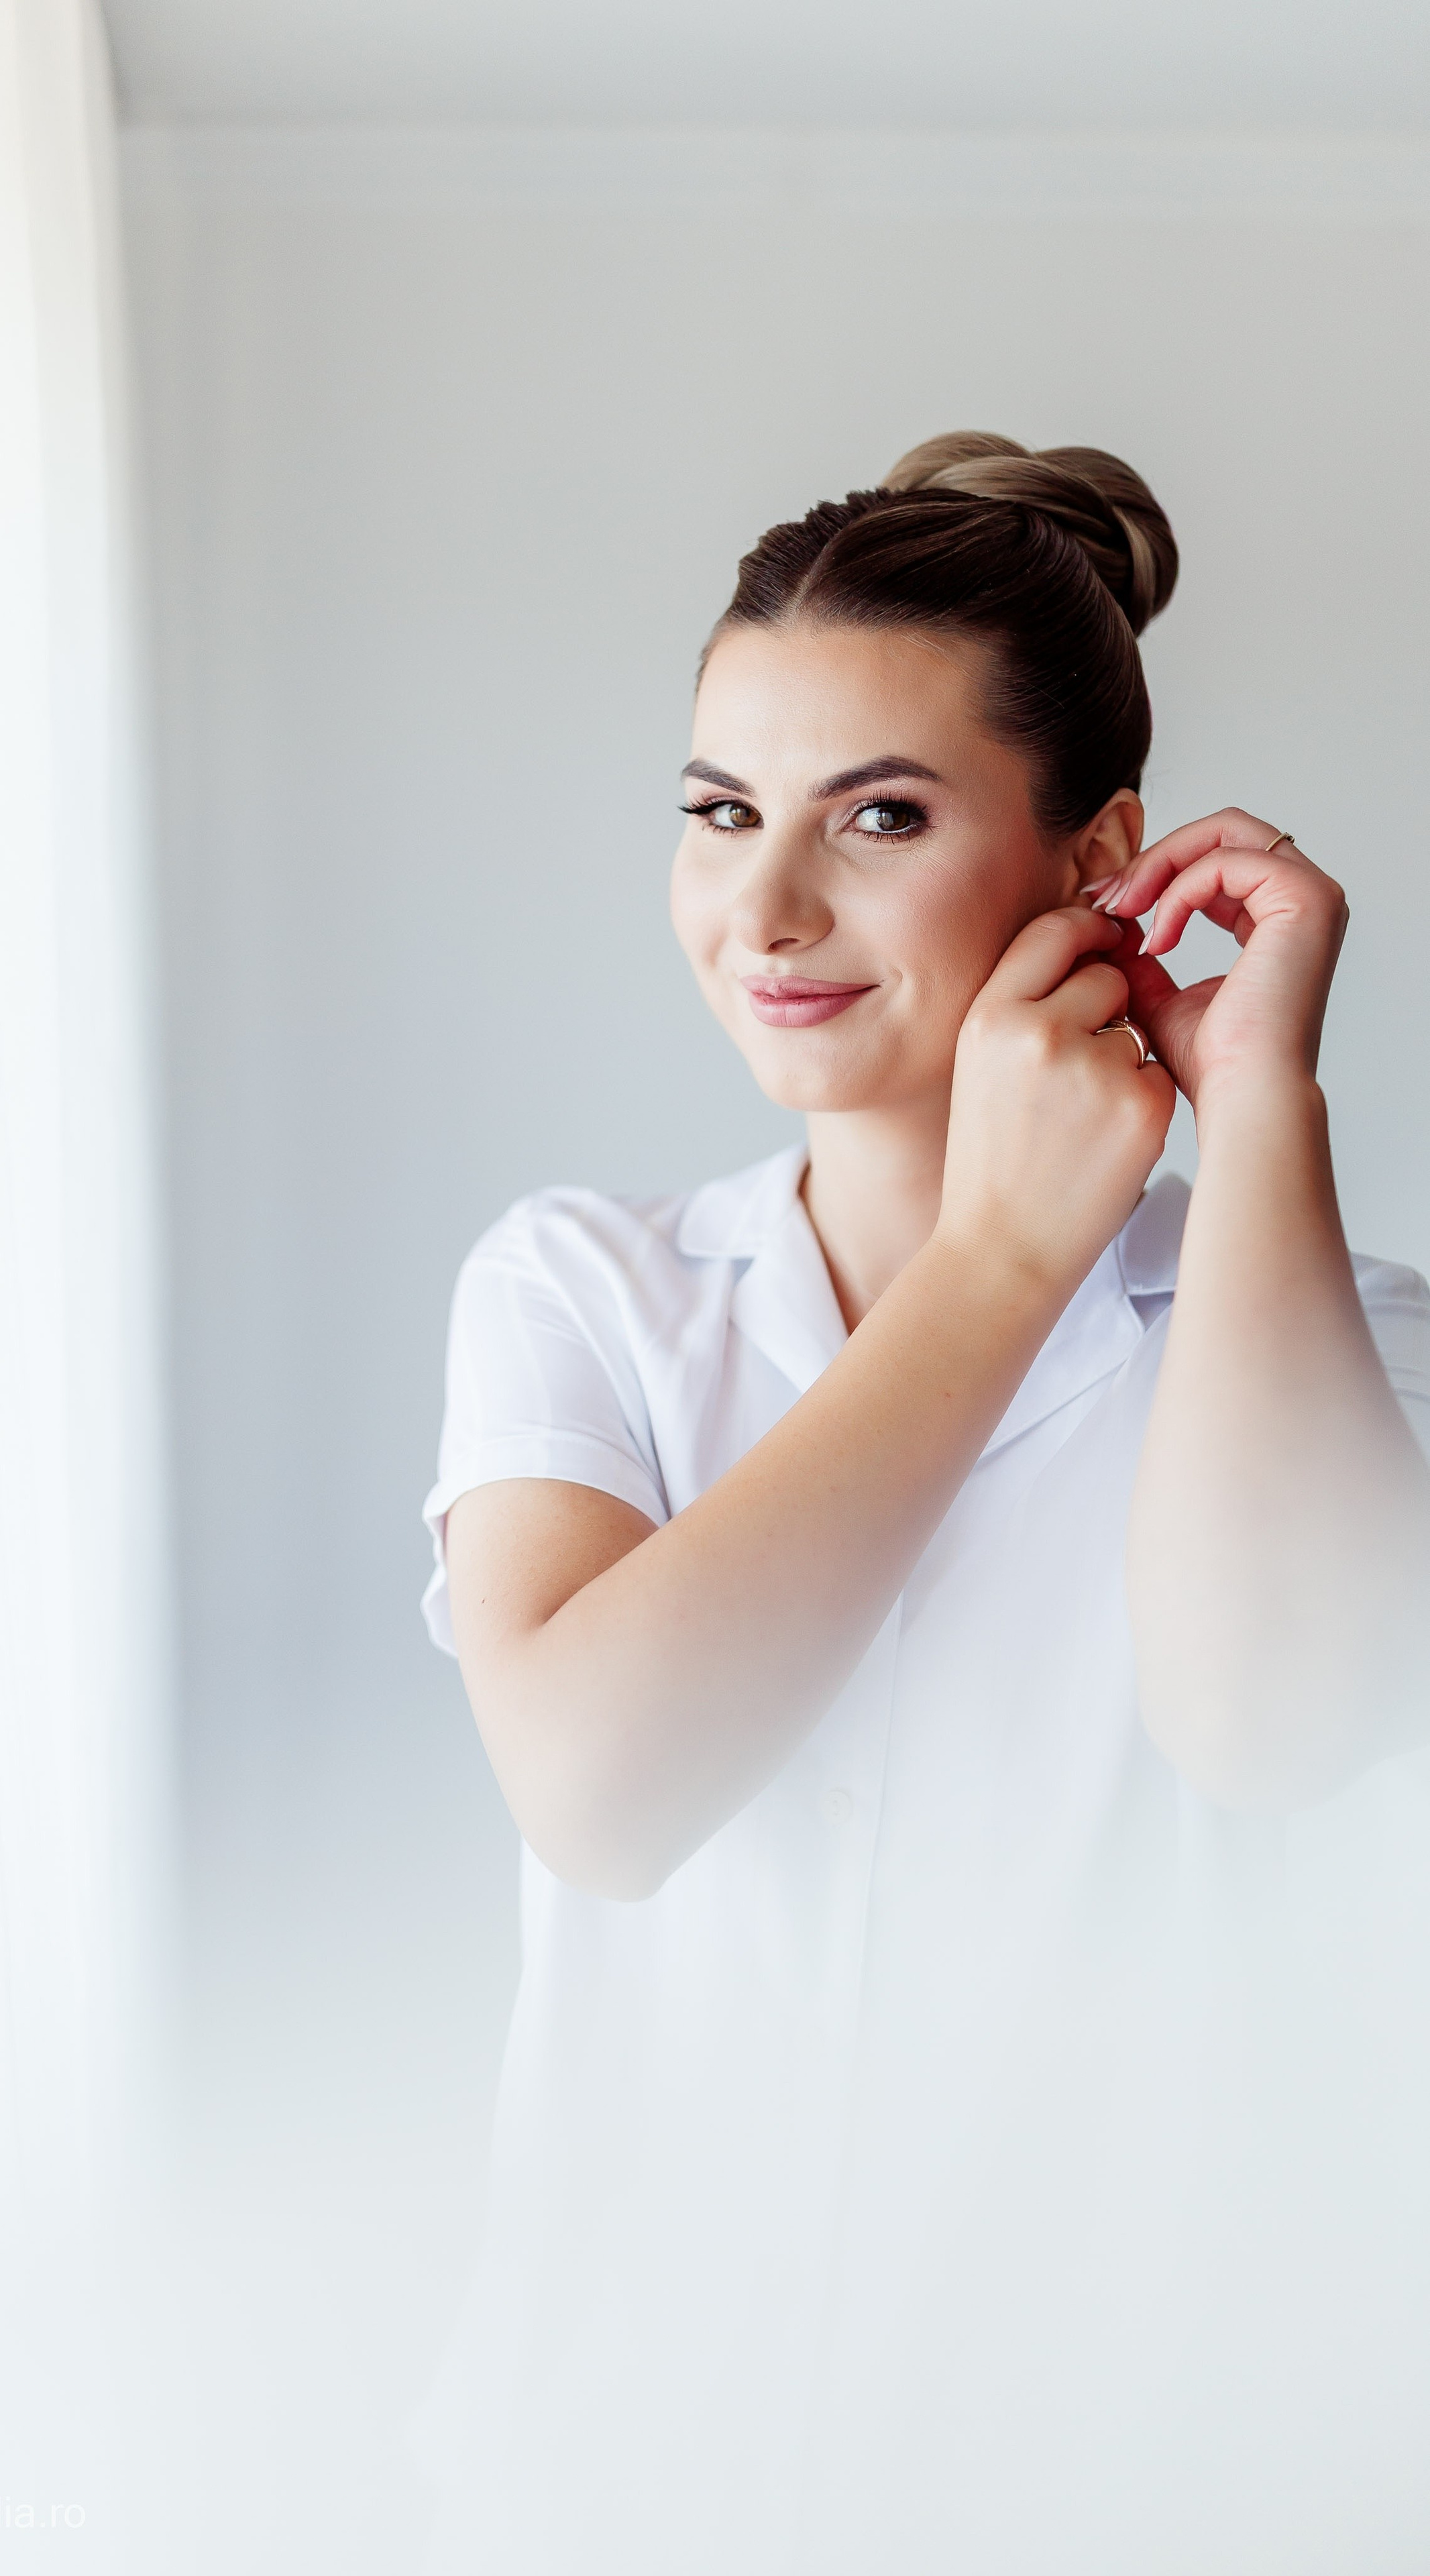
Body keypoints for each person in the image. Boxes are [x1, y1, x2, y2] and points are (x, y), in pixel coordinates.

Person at [412, 435, 1430, 2576]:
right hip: (626, 2473)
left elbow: (1278, 1725)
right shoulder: (583, 1292)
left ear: (1102, 861)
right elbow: (603, 1793)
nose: (764, 910)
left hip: (1156, 2479)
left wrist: (1258, 1106)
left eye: (876, 815)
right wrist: (988, 1268)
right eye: (719, 815)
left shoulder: (1345, 1322)